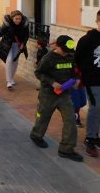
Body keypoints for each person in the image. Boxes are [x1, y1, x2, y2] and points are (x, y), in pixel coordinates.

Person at [30, 35, 83, 162]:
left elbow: (75, 72)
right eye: (65, 50)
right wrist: (52, 82)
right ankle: (36, 135)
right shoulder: (48, 58)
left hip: (64, 94)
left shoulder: (70, 56)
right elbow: (38, 73)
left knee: (70, 120)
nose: (67, 54)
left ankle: (66, 149)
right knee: (43, 116)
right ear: (58, 47)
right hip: (48, 94)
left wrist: (76, 80)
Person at [75, 9, 100, 157]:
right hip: (92, 80)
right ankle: (89, 138)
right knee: (95, 108)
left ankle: (95, 136)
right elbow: (78, 59)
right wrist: (82, 77)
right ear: (97, 21)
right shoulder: (87, 40)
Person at [0, 10, 29, 89]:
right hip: (7, 44)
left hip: (17, 45)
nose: (18, 20)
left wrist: (23, 44)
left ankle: (11, 78)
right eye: (16, 19)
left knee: (15, 61)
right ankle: (8, 81)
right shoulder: (7, 24)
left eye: (19, 19)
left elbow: (26, 35)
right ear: (12, 18)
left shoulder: (24, 25)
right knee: (9, 60)